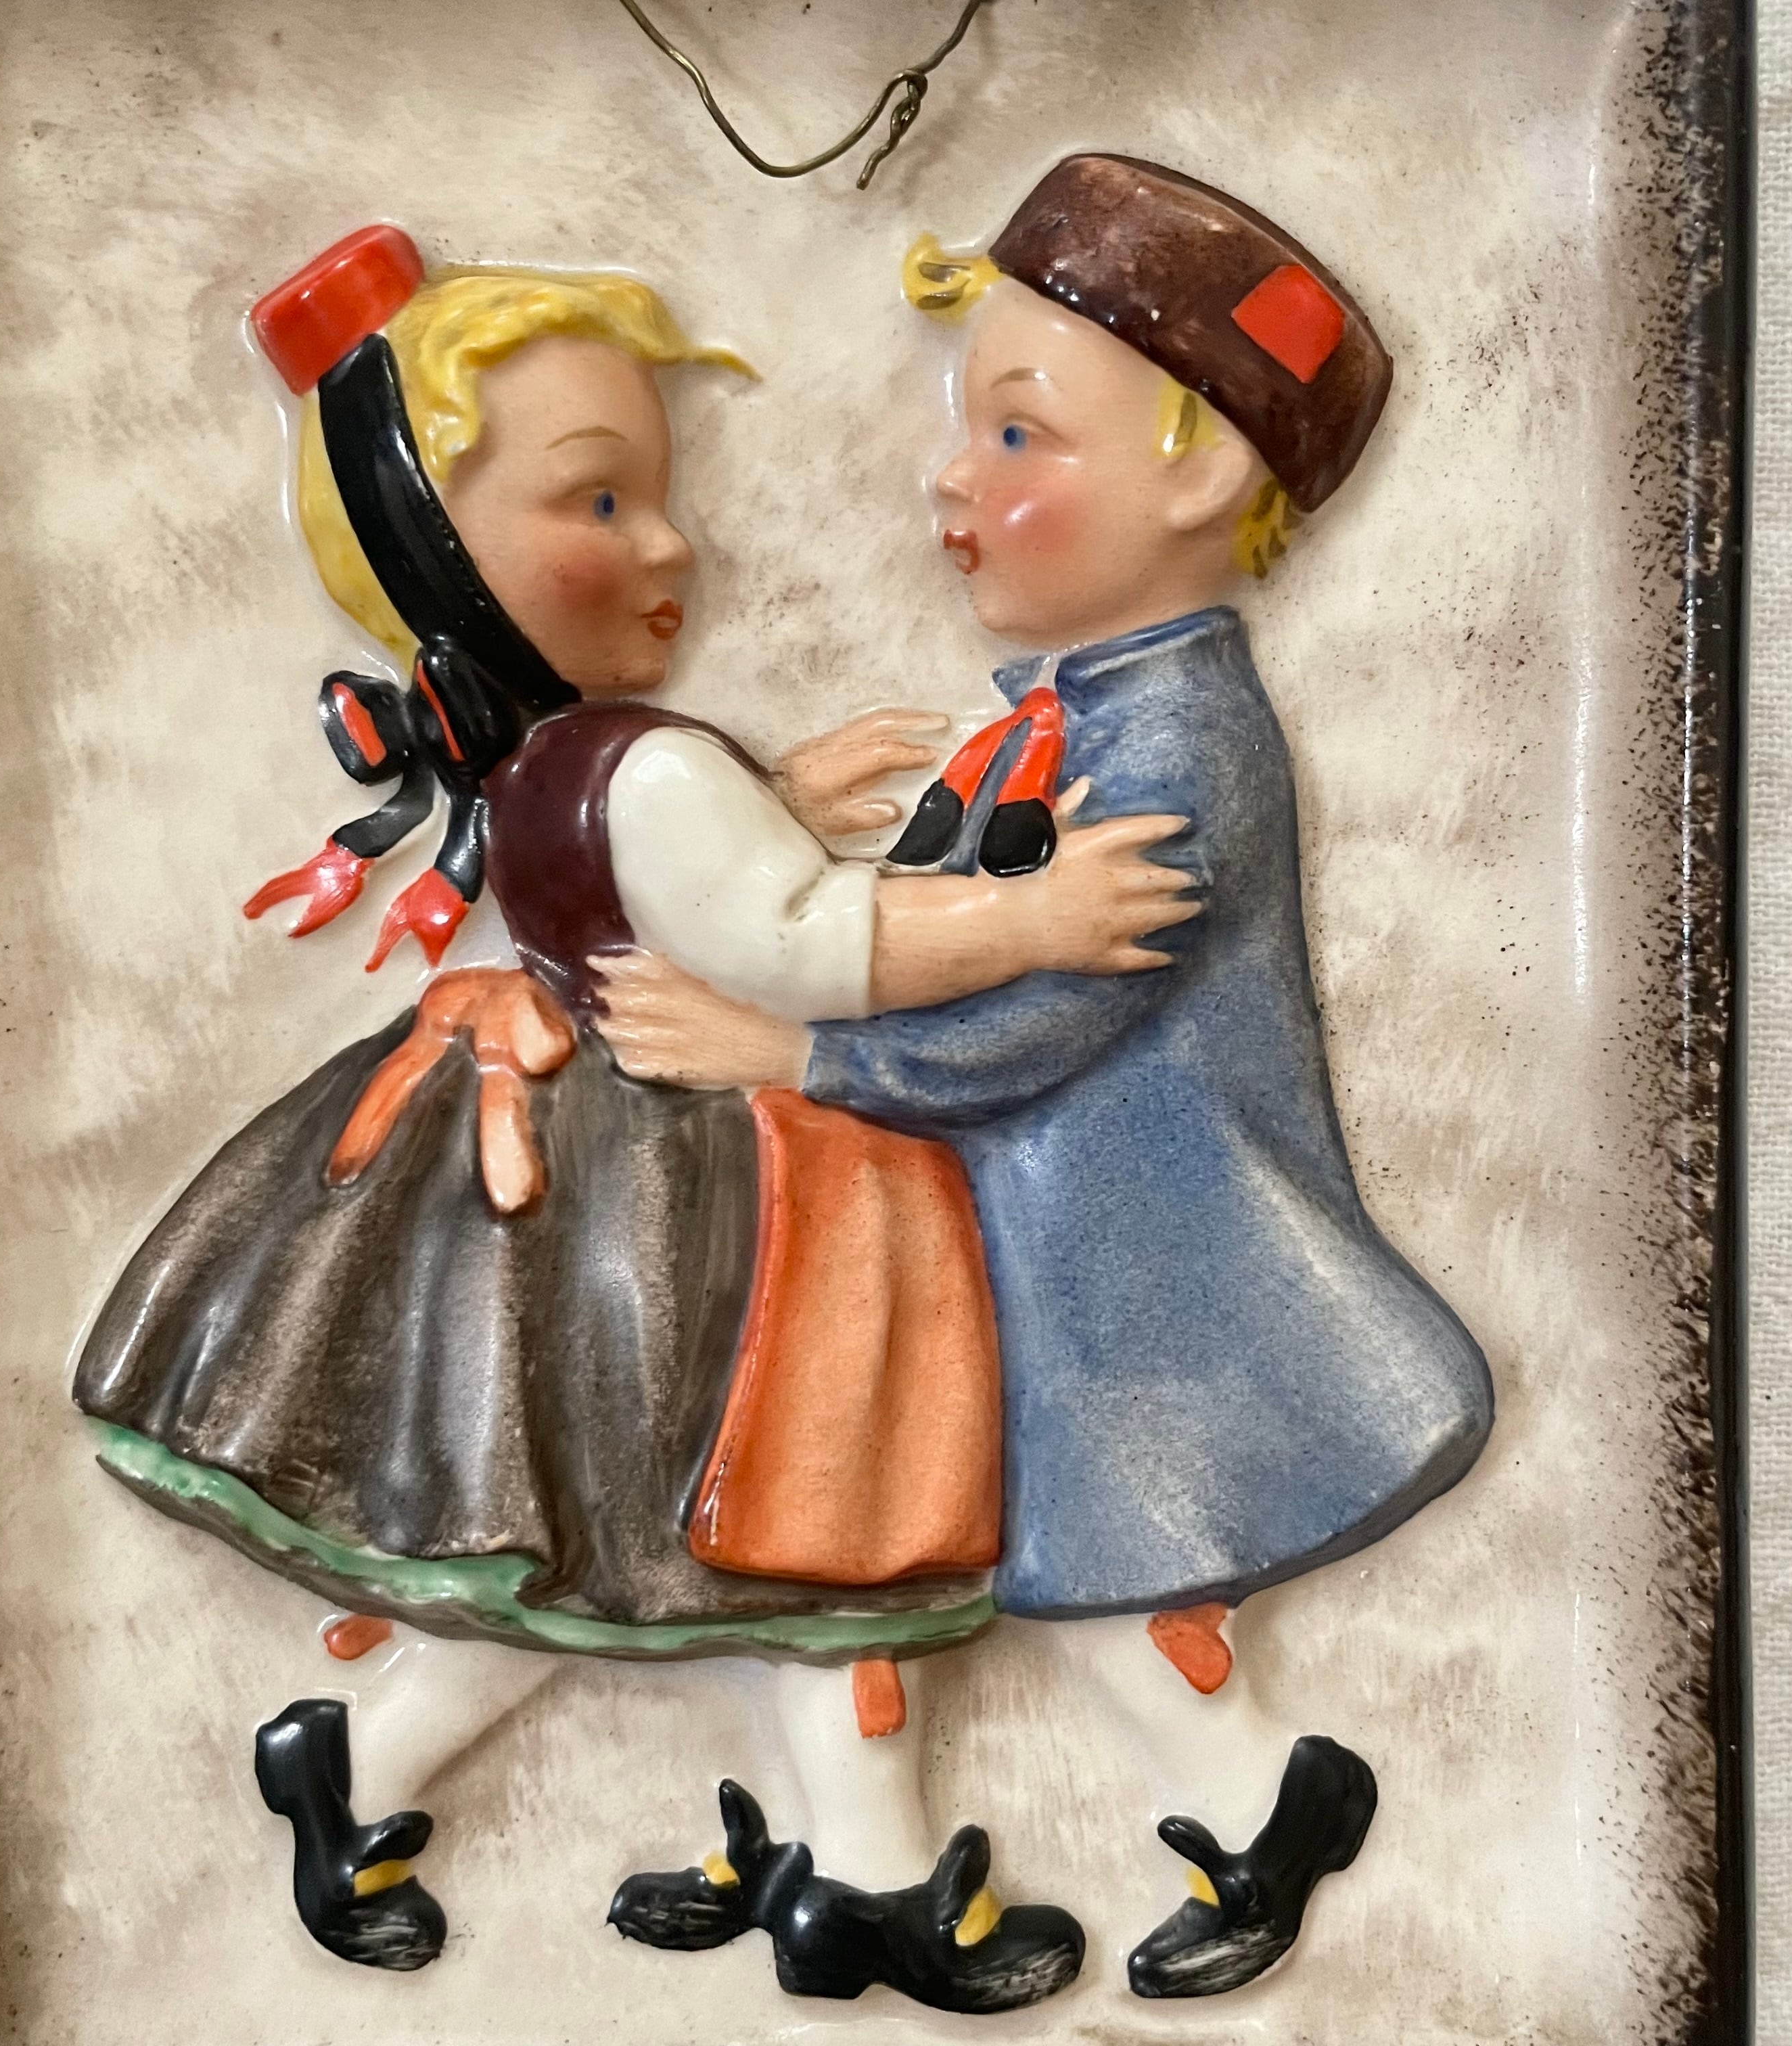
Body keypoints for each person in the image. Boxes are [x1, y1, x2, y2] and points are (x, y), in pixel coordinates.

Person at [70, 223, 1193, 2007]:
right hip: (729, 1216)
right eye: (602, 503)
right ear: (442, 554)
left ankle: (372, 1768)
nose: (672, 545)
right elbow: (800, 946)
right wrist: (1032, 921)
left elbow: (685, 879)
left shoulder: (567, 763)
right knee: (804, 1546)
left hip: (651, 1192)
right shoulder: (640, 765)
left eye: (657, 496)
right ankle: (860, 1886)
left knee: (609, 1557)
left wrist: (762, 792)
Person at [595, 154, 1496, 2001]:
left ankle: (1261, 1802)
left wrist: (794, 1049)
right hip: (1003, 1230)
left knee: (1084, 1559)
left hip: (1122, 1253)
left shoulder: (1177, 743)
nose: (953, 478)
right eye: (969, 429)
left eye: (1016, 434)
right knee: (876, 1525)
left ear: (1202, 474)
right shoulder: (1062, 716)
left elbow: (1031, 1023)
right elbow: (933, 915)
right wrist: (786, 833)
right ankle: (822, 1826)